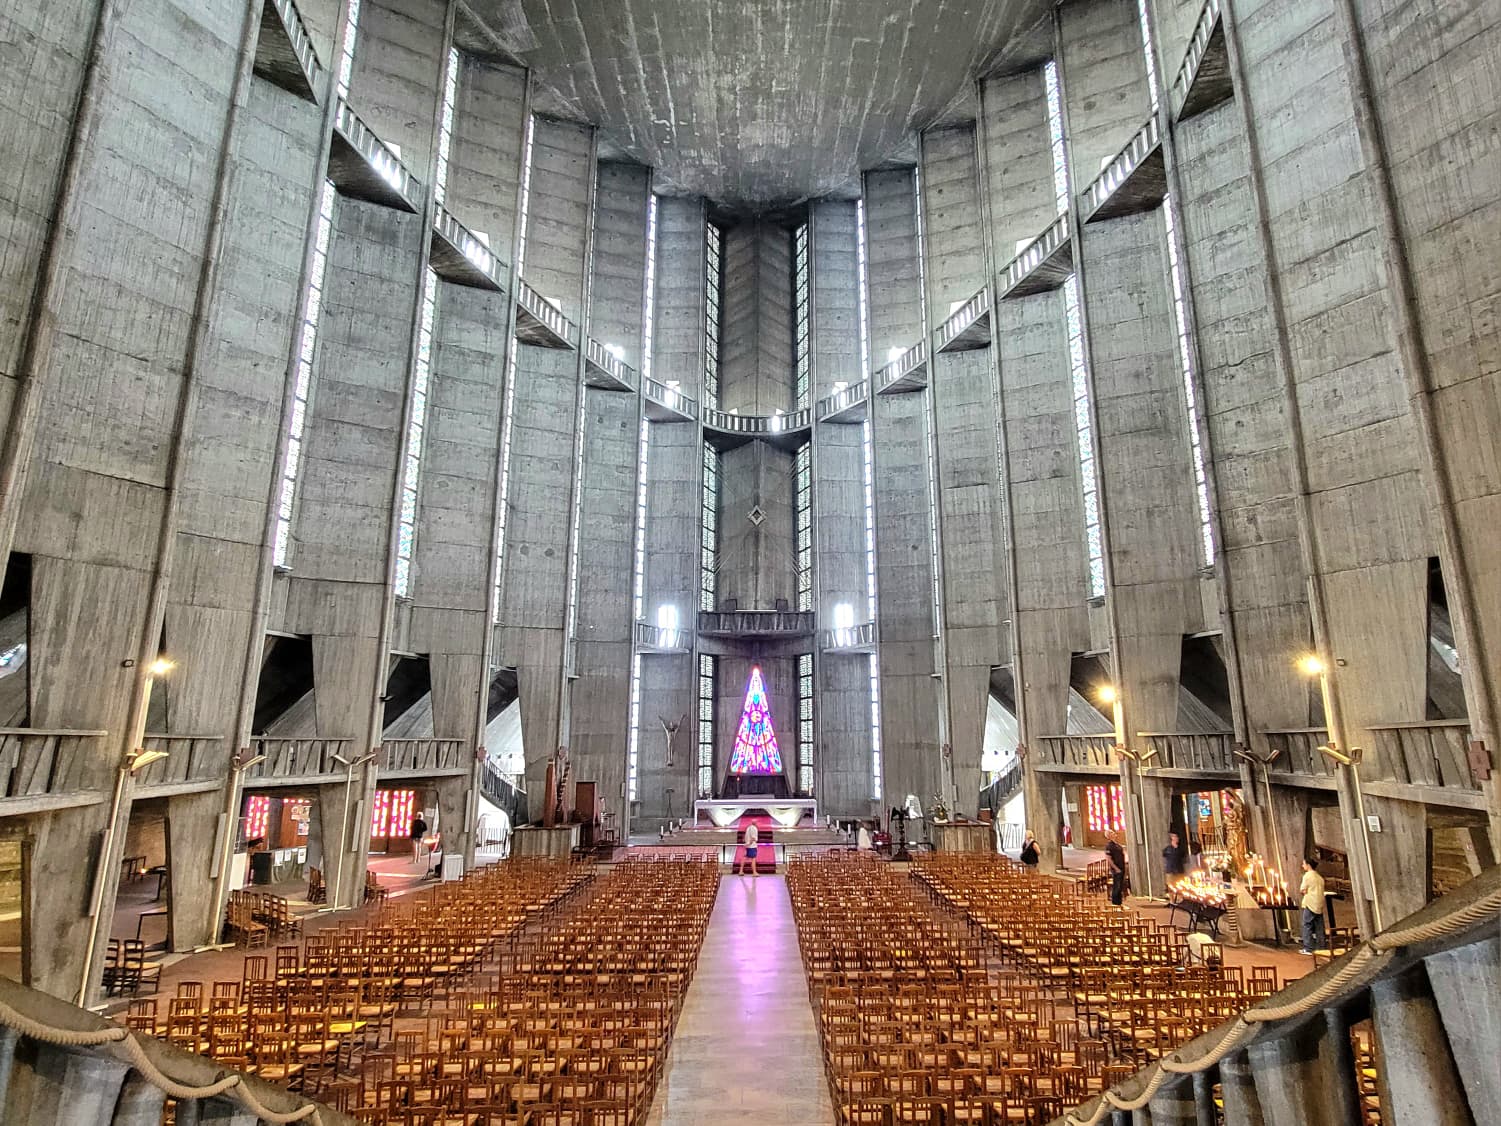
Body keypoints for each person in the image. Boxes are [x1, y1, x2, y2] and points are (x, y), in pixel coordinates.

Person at [1299, 857, 1327, 954]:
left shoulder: (1307, 876)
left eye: (1304, 864)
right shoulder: (1319, 877)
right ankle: (1322, 947)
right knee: (1319, 926)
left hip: (1310, 903)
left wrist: (1305, 892)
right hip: (1319, 903)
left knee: (1307, 925)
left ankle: (1308, 948)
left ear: (1308, 865)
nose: (1302, 866)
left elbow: (1302, 889)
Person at [1104, 831, 1127, 907]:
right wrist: (1116, 868)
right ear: (1109, 836)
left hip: (1121, 866)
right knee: (1116, 885)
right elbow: (1109, 859)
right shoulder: (1109, 846)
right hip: (1116, 868)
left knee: (1120, 886)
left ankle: (1119, 903)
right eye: (1112, 833)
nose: (1114, 833)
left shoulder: (1117, 844)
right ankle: (1115, 903)